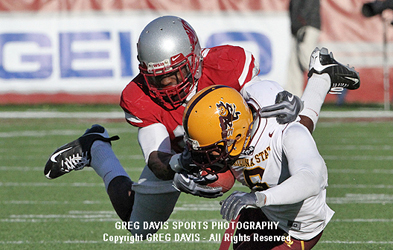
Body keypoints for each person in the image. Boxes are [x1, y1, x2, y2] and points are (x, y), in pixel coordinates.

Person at [43, 15, 359, 239]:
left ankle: (321, 75)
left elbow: (265, 115)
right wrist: (183, 164)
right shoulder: (141, 97)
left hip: (226, 142)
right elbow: (157, 159)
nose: (167, 85)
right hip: (180, 154)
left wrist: (278, 109)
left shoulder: (227, 65)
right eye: (157, 78)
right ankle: (96, 149)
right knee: (139, 227)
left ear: (194, 59)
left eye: (174, 74)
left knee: (289, 137)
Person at [178, 47, 360, 249]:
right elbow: (250, 91)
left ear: (234, 136)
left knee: (297, 129)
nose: (207, 158)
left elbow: (312, 179)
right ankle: (322, 75)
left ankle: (322, 76)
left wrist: (260, 198)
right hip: (263, 211)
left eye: (212, 150)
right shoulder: (240, 123)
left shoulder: (285, 132)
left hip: (296, 228)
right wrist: (177, 169)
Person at [285, 0, 321, 97]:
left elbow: (308, 7)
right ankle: (293, 96)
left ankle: (332, 78)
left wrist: (302, 23)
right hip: (299, 28)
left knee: (310, 62)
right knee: (294, 65)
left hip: (306, 26)